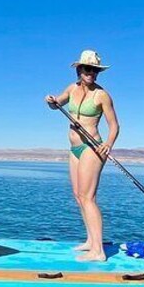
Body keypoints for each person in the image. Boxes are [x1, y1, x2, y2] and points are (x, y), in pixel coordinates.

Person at [45, 50, 120, 262]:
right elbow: (56, 104)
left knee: (88, 198)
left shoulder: (102, 95)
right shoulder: (72, 89)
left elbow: (114, 125)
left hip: (92, 148)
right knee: (79, 196)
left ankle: (99, 251)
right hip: (74, 149)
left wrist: (108, 144)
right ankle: (90, 241)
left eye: (95, 70)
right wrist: (50, 100)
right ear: (79, 70)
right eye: (88, 69)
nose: (92, 73)